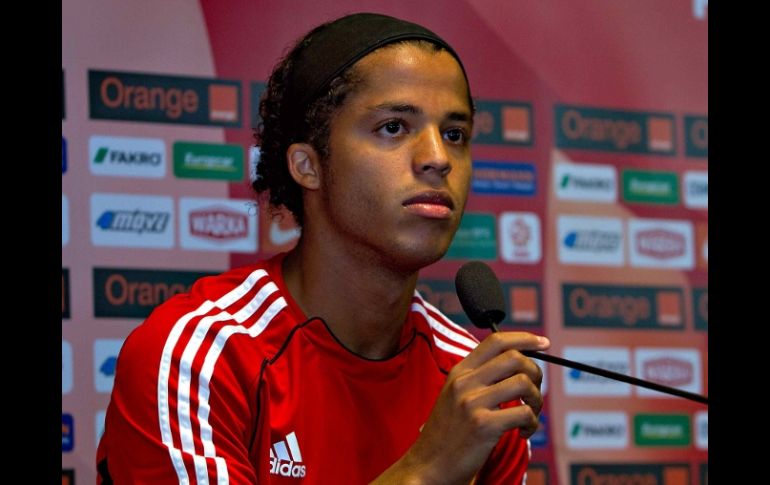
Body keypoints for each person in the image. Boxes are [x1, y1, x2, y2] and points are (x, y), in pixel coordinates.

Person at [96, 12, 550, 484]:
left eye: (455, 135)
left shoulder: (472, 382)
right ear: (307, 166)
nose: (438, 158)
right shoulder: (197, 358)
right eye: (394, 127)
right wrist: (427, 469)